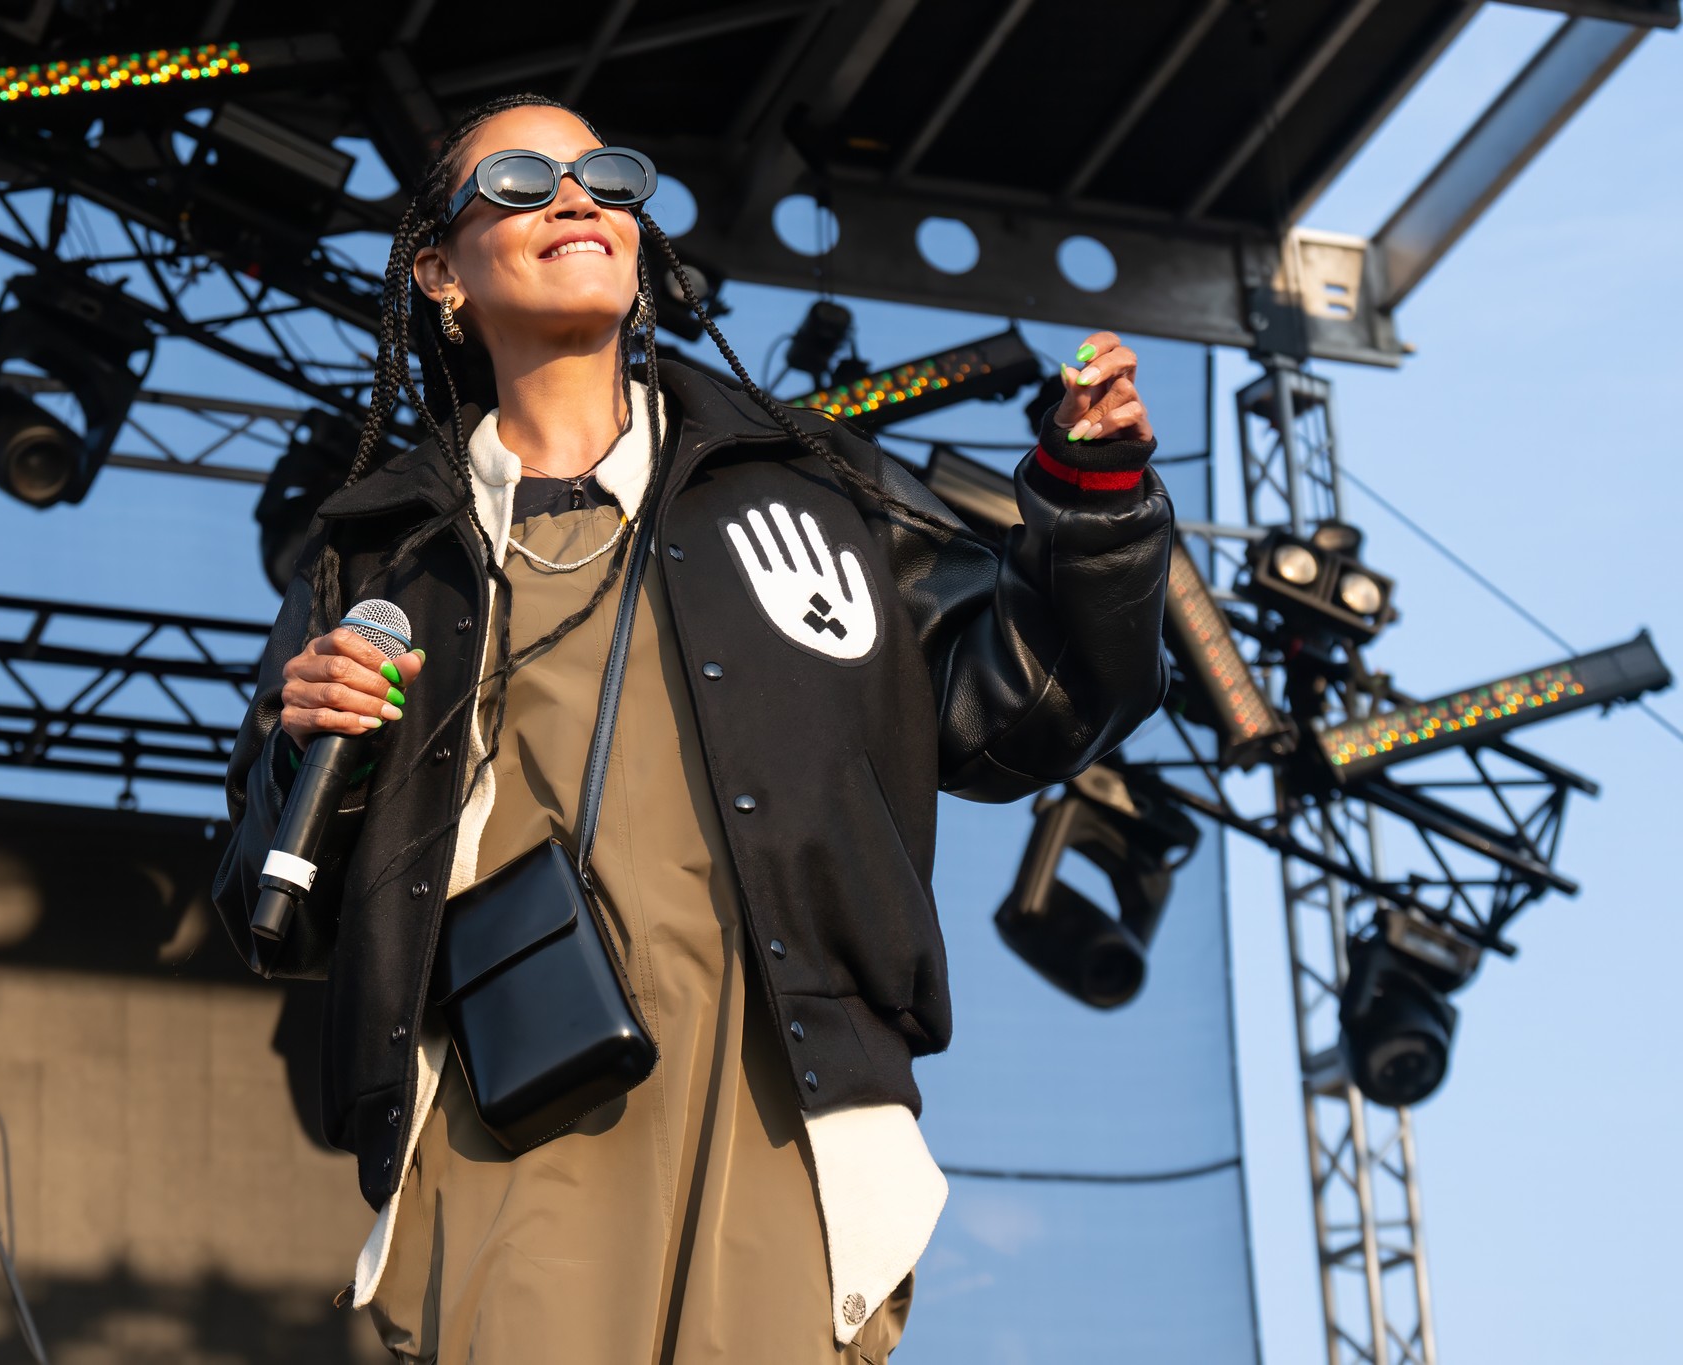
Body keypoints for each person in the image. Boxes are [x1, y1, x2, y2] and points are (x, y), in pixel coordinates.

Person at [214, 92, 1174, 1363]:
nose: (574, 199)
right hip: (510, 1103)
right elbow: (269, 906)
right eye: (519, 180)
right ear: (439, 273)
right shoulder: (377, 558)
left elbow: (1031, 709)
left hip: (784, 1090)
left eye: (606, 176)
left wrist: (1092, 501)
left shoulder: (810, 487)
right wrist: (309, 750)